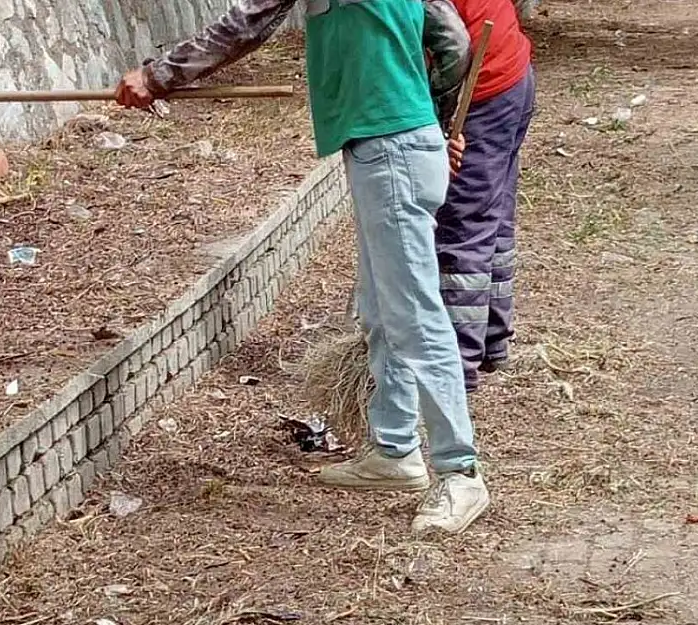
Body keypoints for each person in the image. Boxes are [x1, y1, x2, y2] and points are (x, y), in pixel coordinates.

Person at [114, 0, 491, 535]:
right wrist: (434, 117)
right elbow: (452, 37)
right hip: (400, 144)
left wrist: (157, 75)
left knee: (413, 317)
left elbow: (248, 21)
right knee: (383, 309)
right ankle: (395, 450)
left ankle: (460, 472)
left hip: (390, 149)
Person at [437, 0, 536, 393]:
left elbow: (452, 44)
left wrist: (442, 125)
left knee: (463, 227)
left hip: (483, 88)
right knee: (492, 216)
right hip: (512, 73)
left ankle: (457, 367)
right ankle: (492, 340)